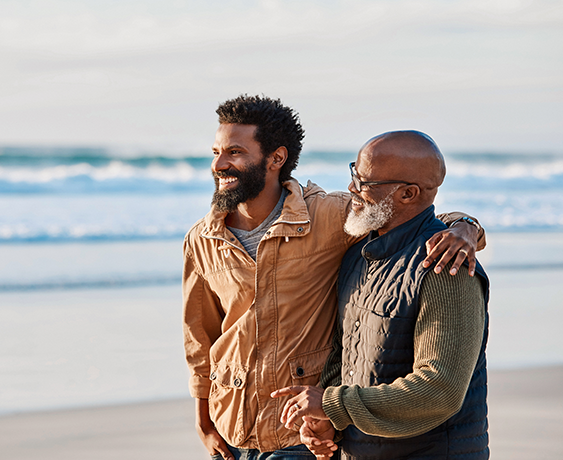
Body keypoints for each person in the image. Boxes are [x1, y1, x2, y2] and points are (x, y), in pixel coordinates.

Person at [183, 96, 485, 460]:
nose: (219, 164)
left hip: (297, 435)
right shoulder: (202, 239)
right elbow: (200, 339)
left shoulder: (330, 217)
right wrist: (204, 423)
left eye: (234, 151)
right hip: (234, 430)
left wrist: (466, 228)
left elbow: (414, 217)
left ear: (276, 159)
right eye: (216, 151)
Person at [272, 131, 490, 459]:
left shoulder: (446, 267)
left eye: (364, 182)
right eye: (353, 173)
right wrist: (329, 419)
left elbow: (439, 391)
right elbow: (345, 356)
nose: (351, 189)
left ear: (407, 193)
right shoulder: (358, 254)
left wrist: (332, 404)